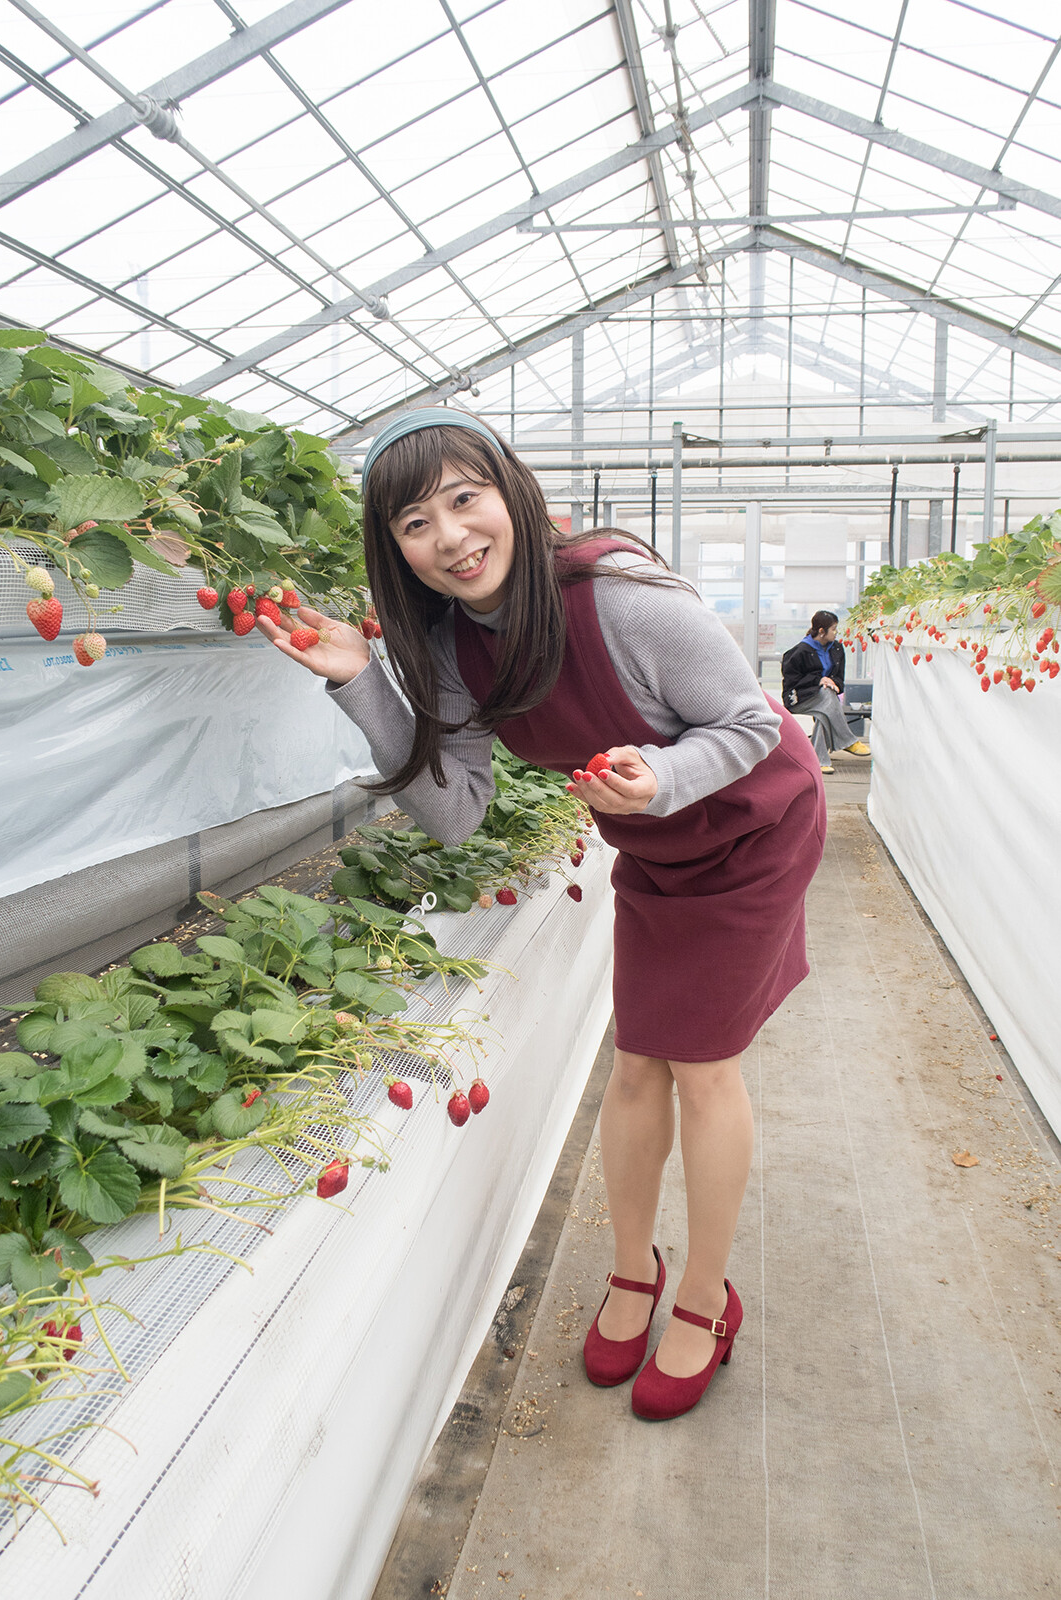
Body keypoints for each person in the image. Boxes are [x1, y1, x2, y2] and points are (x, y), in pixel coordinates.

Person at [257, 408, 827, 1423]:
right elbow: (454, 813)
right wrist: (362, 684)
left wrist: (661, 777)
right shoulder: (447, 647)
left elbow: (750, 723)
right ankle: (632, 1269)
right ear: (394, 547)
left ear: (510, 492)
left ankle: (705, 1297)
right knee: (637, 1060)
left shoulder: (624, 602)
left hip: (751, 829)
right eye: (415, 523)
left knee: (699, 1065)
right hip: (653, 846)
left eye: (464, 499)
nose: (451, 537)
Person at [781, 610, 870, 774]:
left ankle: (819, 761)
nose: (836, 633)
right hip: (800, 699)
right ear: (821, 631)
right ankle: (848, 740)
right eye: (833, 629)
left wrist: (832, 683)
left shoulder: (837, 649)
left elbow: (840, 680)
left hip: (826, 701)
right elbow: (791, 684)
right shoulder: (798, 652)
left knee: (824, 712)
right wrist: (819, 680)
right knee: (828, 696)